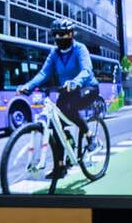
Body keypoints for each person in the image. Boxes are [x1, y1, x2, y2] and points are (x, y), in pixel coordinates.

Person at [17, 18, 99, 179]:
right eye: (57, 35)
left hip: (87, 87)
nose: (60, 38)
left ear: (71, 34)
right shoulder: (54, 53)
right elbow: (43, 73)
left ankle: (90, 136)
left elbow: (86, 70)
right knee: (56, 126)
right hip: (67, 90)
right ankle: (60, 166)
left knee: (71, 109)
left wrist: (76, 82)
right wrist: (29, 86)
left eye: (64, 34)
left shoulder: (80, 49)